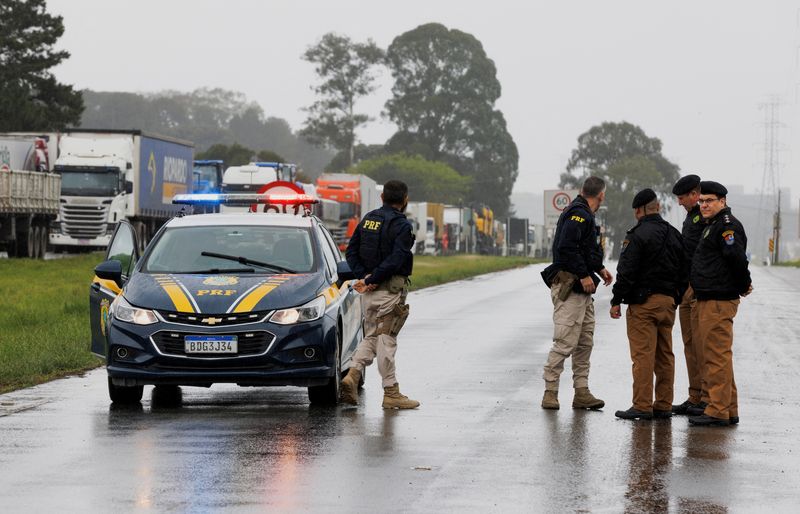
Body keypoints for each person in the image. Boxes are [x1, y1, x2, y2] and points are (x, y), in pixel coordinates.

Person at [341, 179, 419, 409]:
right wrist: (373, 278)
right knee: (386, 340)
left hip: (368, 293)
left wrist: (364, 277)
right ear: (405, 200)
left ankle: (352, 374)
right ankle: (391, 392)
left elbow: (351, 250)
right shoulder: (402, 226)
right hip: (389, 292)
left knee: (372, 337)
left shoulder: (368, 220)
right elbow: (397, 258)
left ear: (382, 197)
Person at [610, 189, 686, 420]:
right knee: (665, 355)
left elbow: (626, 271)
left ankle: (642, 405)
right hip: (668, 303)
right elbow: (685, 270)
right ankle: (663, 404)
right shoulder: (674, 234)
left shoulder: (637, 234)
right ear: (658, 207)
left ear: (639, 210)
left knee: (643, 355)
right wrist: (676, 297)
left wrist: (616, 299)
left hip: (643, 304)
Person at [540, 176, 613, 410]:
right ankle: (550, 392)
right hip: (570, 285)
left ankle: (582, 392)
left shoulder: (585, 214)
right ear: (601, 195)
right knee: (564, 341)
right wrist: (583, 274)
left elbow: (586, 249)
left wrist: (599, 269)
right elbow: (567, 247)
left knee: (584, 342)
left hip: (582, 290)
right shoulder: (578, 214)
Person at [688, 181, 752, 426]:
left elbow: (736, 258)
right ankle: (729, 408)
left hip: (718, 299)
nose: (704, 205)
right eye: (702, 201)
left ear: (722, 202)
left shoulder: (727, 226)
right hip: (709, 296)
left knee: (715, 357)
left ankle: (717, 410)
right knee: (719, 357)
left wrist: (743, 284)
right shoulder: (712, 225)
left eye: (709, 201)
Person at [670, 174, 708, 416]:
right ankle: (695, 395)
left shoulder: (704, 216)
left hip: (698, 286)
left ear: (695, 194)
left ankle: (707, 397)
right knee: (690, 345)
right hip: (687, 287)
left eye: (682, 197)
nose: (680, 202)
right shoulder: (691, 217)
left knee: (702, 346)